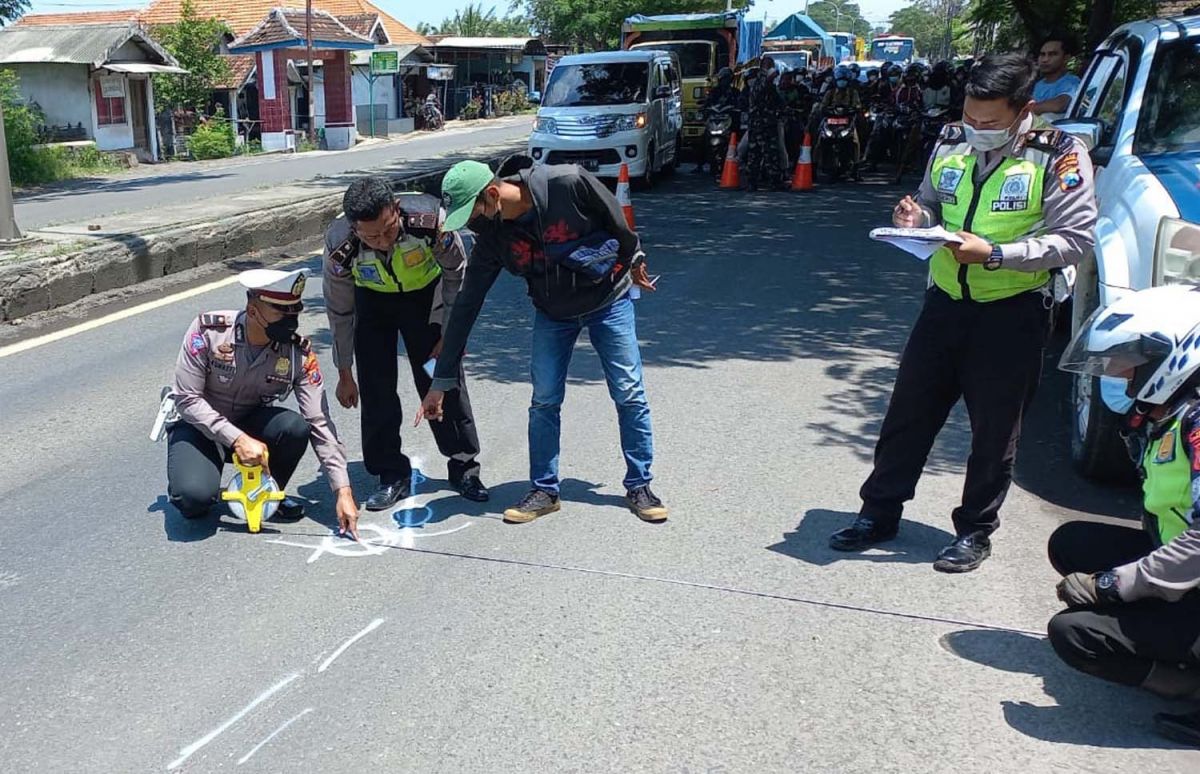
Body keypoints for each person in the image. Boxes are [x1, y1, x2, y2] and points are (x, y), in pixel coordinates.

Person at [827, 53, 1098, 572]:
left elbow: (1074, 240)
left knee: (994, 432)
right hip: (945, 302)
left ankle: (975, 529)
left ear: (1024, 110)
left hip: (1012, 310)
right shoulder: (952, 140)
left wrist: (995, 254)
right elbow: (931, 201)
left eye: (989, 121)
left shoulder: (1059, 155)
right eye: (970, 115)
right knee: (908, 415)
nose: (976, 127)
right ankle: (878, 513)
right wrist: (915, 216)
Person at [418, 157, 668, 524]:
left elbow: (617, 222)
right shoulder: (492, 239)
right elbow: (466, 305)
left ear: (492, 194)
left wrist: (635, 259)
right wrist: (440, 381)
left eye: (473, 214)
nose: (472, 225)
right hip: (553, 313)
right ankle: (545, 490)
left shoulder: (567, 182)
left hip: (608, 301)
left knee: (629, 392)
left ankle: (639, 485)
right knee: (544, 400)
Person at [1049, 284, 1200, 748]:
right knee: (1072, 544)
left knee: (1074, 634)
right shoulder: (1173, 411)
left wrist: (1117, 585)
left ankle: (1188, 683)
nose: (1122, 374)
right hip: (1188, 574)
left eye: (1133, 363)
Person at [324, 176, 488, 512]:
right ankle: (390, 473)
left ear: (396, 210)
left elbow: (457, 274)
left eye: (388, 230)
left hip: (427, 299)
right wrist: (344, 371)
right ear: (355, 228)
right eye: (371, 237)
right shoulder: (340, 244)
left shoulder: (431, 222)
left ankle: (463, 466)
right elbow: (339, 309)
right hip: (373, 302)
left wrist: (449, 336)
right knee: (376, 389)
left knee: (441, 377)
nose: (383, 242)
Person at [167, 268, 361, 540]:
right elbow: (187, 399)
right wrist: (236, 439)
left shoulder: (298, 355)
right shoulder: (208, 331)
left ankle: (267, 492)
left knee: (294, 427)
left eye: (294, 311)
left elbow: (319, 422)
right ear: (253, 310)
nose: (290, 320)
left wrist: (343, 491)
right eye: (281, 311)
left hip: (249, 422)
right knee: (194, 500)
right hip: (199, 426)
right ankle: (202, 475)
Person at [744, 57, 787, 191]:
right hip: (765, 124)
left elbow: (778, 101)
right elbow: (766, 89)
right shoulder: (762, 81)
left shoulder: (758, 82)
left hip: (755, 124)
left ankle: (752, 182)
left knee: (754, 154)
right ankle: (774, 181)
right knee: (770, 153)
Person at [817, 64, 864, 180]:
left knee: (855, 142)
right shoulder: (830, 92)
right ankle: (814, 165)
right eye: (840, 80)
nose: (841, 82)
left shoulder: (853, 93)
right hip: (831, 121)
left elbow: (858, 105)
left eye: (844, 80)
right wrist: (827, 109)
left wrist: (853, 109)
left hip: (847, 121)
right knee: (819, 141)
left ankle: (856, 169)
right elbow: (822, 106)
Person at [696, 67, 740, 174]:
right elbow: (707, 102)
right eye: (723, 79)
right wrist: (704, 108)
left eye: (727, 79)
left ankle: (741, 161)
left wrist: (737, 109)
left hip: (728, 122)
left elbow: (740, 103)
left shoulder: (735, 92)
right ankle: (699, 164)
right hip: (715, 121)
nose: (725, 81)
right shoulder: (714, 91)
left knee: (738, 136)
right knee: (702, 139)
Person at [1031, 34, 1081, 118]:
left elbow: (1059, 105)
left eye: (1052, 54)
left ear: (1066, 58)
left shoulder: (1073, 82)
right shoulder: (1038, 85)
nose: (1045, 60)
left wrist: (1025, 110)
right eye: (1042, 54)